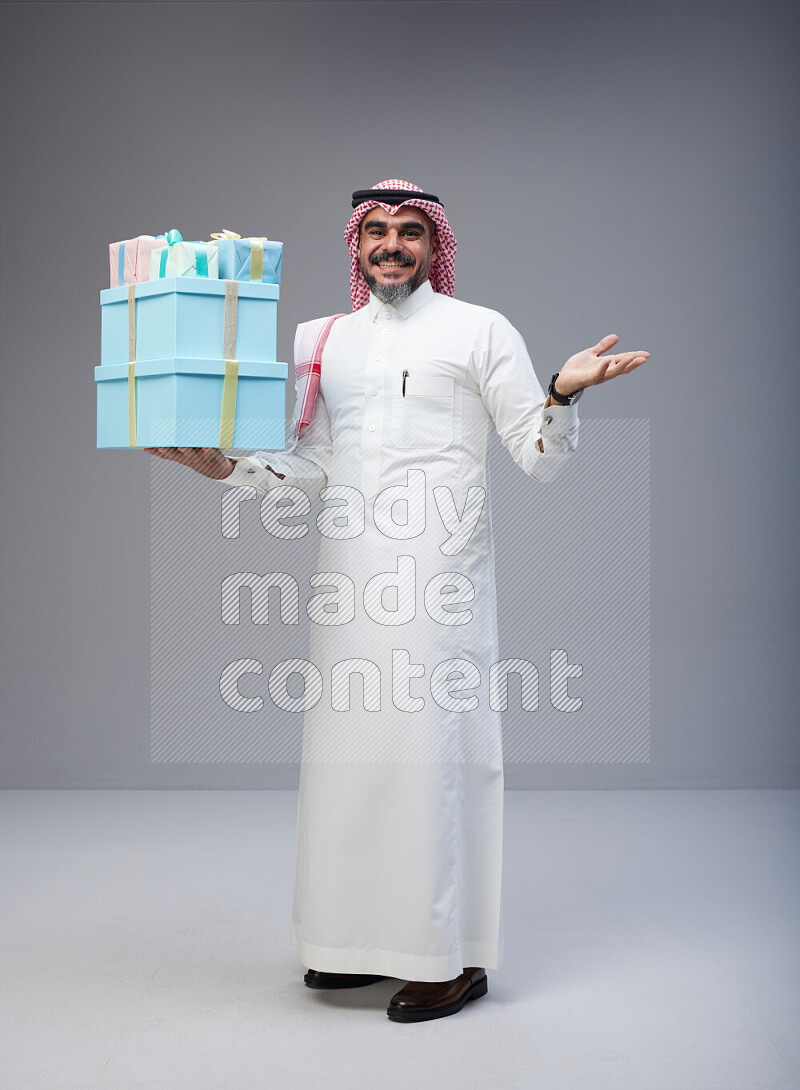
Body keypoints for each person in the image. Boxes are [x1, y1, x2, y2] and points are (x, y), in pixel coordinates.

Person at [146, 179, 649, 1023]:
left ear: (434, 244)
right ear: (355, 243)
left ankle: (448, 959)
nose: (391, 245)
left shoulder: (479, 330)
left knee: (433, 763)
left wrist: (563, 393)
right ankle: (352, 947)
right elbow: (308, 469)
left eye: (410, 232)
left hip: (439, 579)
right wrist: (225, 467)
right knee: (349, 763)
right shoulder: (322, 338)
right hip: (348, 577)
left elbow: (540, 457)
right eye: (376, 230)